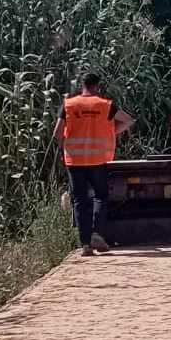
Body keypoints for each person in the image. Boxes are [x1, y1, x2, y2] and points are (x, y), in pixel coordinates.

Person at [53, 73, 136, 257]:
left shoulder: (68, 104)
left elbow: (57, 133)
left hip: (74, 161)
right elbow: (128, 121)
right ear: (97, 87)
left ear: (81, 86)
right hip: (98, 160)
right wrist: (112, 133)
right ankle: (97, 234)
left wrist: (67, 144)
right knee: (100, 196)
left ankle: (85, 244)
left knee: (79, 200)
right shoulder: (105, 105)